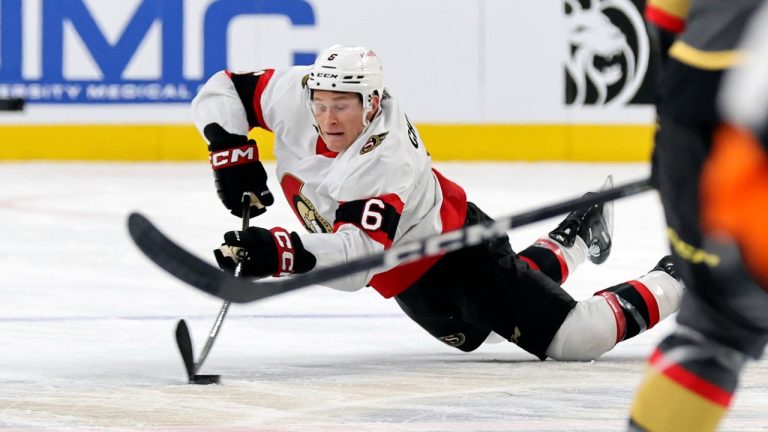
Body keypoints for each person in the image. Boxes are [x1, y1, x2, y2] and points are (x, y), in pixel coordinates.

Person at [191, 44, 683, 362]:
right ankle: (572, 240)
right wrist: (230, 154)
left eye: (342, 106)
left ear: (373, 103)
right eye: (320, 103)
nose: (327, 117)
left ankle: (693, 274)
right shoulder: (297, 95)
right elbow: (224, 89)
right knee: (480, 332)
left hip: (456, 252)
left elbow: (359, 261)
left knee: (575, 337)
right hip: (408, 278)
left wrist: (280, 253)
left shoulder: (384, 160)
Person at [628, 1, 768, 430]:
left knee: (713, 331)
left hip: (694, 101)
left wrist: (669, 129)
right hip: (741, 109)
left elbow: (665, 20)